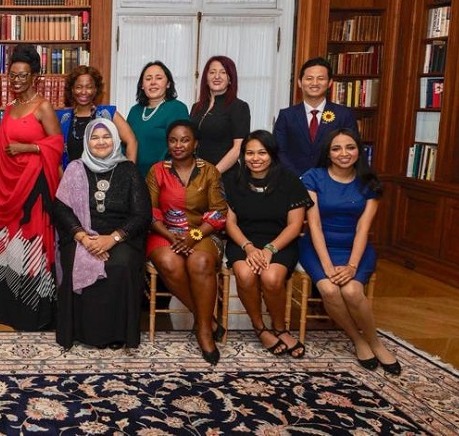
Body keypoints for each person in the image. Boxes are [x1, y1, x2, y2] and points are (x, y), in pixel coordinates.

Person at [299, 128, 400, 374]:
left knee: (353, 290)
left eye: (350, 147)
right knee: (328, 288)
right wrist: (327, 266)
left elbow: (363, 230)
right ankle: (357, 339)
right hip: (317, 246)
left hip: (355, 247)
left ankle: (375, 342)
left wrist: (352, 266)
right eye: (336, 148)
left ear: (359, 151)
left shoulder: (369, 183)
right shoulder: (313, 177)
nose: (344, 153)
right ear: (328, 153)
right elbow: (314, 225)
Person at [52, 118, 150, 350]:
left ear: (115, 140)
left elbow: (142, 214)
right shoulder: (75, 169)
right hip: (81, 235)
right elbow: (60, 209)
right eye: (95, 137)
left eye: (106, 137)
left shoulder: (129, 170)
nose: (101, 142)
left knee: (121, 264)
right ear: (87, 141)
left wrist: (112, 239)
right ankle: (79, 331)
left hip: (121, 236)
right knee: (75, 259)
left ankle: (117, 334)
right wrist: (84, 238)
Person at [0, 44, 63, 331]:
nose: (17, 80)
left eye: (23, 75)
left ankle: (34, 312)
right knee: (10, 246)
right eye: (13, 75)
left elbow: (56, 145)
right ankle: (9, 309)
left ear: (35, 76)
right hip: (8, 189)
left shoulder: (43, 106)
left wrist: (28, 147)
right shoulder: (9, 108)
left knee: (31, 247)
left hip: (34, 190)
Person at [146, 120, 228, 364]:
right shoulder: (157, 170)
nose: (178, 145)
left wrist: (194, 237)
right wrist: (170, 236)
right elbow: (150, 212)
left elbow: (219, 213)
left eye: (185, 140)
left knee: (199, 262)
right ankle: (207, 321)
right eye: (173, 140)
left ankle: (203, 330)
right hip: (164, 232)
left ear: (195, 143)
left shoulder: (210, 171)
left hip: (202, 232)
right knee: (168, 261)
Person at [224, 130, 311, 358]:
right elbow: (230, 223)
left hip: (280, 241)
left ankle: (280, 328)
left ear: (272, 154)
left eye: (262, 153)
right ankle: (259, 327)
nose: (255, 158)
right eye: (250, 153)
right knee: (245, 274)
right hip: (243, 240)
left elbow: (295, 225)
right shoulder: (232, 180)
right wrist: (248, 247)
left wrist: (270, 249)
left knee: (271, 278)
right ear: (243, 155)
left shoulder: (289, 180)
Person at [273, 57, 359, 176]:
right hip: (294, 181)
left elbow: (351, 149)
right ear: (299, 82)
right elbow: (279, 151)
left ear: (330, 83)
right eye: (309, 78)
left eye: (321, 78)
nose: (314, 83)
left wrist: (328, 178)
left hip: (332, 180)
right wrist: (299, 178)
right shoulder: (286, 115)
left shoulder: (344, 115)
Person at [56, 65, 137, 168]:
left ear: (95, 89)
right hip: (71, 176)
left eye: (89, 87)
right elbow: (55, 155)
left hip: (105, 177)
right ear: (72, 90)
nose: (84, 92)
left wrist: (130, 172)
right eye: (79, 87)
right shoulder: (62, 118)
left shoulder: (108, 114)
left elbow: (132, 141)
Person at [190, 56, 250, 181]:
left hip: (224, 176)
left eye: (223, 72)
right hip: (196, 174)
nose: (217, 76)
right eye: (212, 72)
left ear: (230, 79)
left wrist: (213, 173)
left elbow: (237, 148)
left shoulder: (239, 107)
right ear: (206, 78)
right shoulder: (196, 107)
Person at [127, 61, 190, 179]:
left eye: (159, 78)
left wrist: (158, 174)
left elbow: (180, 146)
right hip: (135, 176)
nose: (153, 82)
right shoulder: (134, 111)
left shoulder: (177, 108)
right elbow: (125, 144)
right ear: (142, 85)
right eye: (148, 79)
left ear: (168, 84)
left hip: (165, 177)